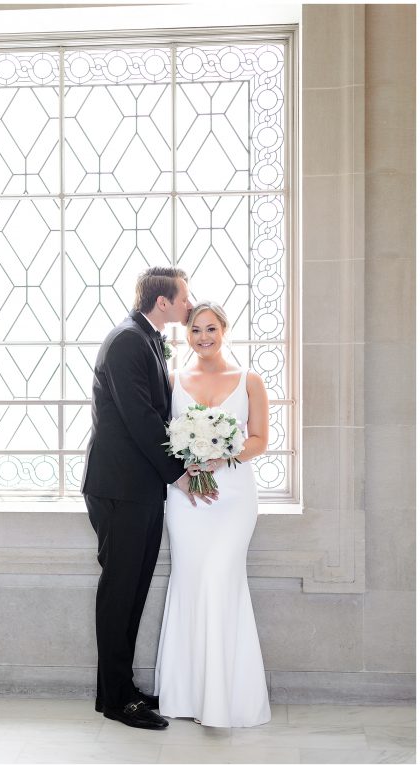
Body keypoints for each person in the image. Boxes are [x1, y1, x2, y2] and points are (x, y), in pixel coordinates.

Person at [81, 266, 216, 730]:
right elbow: (141, 418)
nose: (189, 302)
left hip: (138, 488)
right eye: (185, 297)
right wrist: (179, 473)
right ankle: (116, 700)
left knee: (134, 590)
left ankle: (122, 689)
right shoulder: (126, 341)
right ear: (164, 302)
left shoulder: (146, 339)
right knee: (120, 592)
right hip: (119, 488)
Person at [154, 302, 271, 727]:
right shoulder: (172, 381)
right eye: (196, 331)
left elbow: (260, 440)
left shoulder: (249, 380)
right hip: (187, 499)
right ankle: (187, 698)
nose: (203, 337)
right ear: (187, 336)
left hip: (234, 497)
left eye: (211, 329)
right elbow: (162, 437)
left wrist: (223, 454)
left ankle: (227, 700)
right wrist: (190, 460)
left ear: (224, 330)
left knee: (221, 579)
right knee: (191, 582)